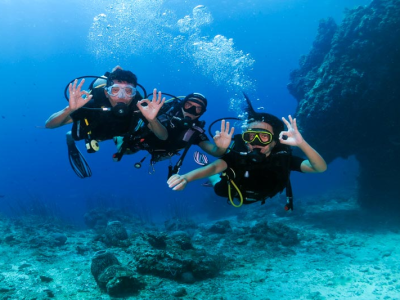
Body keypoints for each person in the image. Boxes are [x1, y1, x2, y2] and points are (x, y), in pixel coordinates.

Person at [167, 94, 327, 209]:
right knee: (218, 185)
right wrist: (186, 178)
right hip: (233, 192)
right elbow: (214, 167)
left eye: (263, 137)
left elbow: (319, 168)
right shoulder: (238, 155)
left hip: (265, 193)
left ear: (275, 140)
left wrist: (302, 144)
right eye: (250, 136)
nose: (255, 143)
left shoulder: (282, 157)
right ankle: (213, 178)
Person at [45, 66, 167, 178]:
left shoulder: (139, 108)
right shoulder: (92, 105)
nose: (121, 96)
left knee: (130, 151)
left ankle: (118, 139)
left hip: (120, 131)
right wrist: (69, 109)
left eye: (128, 91)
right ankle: (70, 137)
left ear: (134, 94)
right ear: (106, 93)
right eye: (115, 90)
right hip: (96, 133)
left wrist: (153, 120)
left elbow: (163, 136)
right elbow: (49, 125)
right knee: (76, 135)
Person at [115, 92, 234, 177]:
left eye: (198, 109)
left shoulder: (195, 132)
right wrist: (152, 120)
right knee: (124, 150)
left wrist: (221, 148)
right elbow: (163, 135)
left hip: (161, 153)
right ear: (182, 104)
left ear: (201, 113)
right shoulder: (162, 112)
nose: (191, 111)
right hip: (142, 142)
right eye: (188, 105)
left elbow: (214, 151)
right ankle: (118, 135)